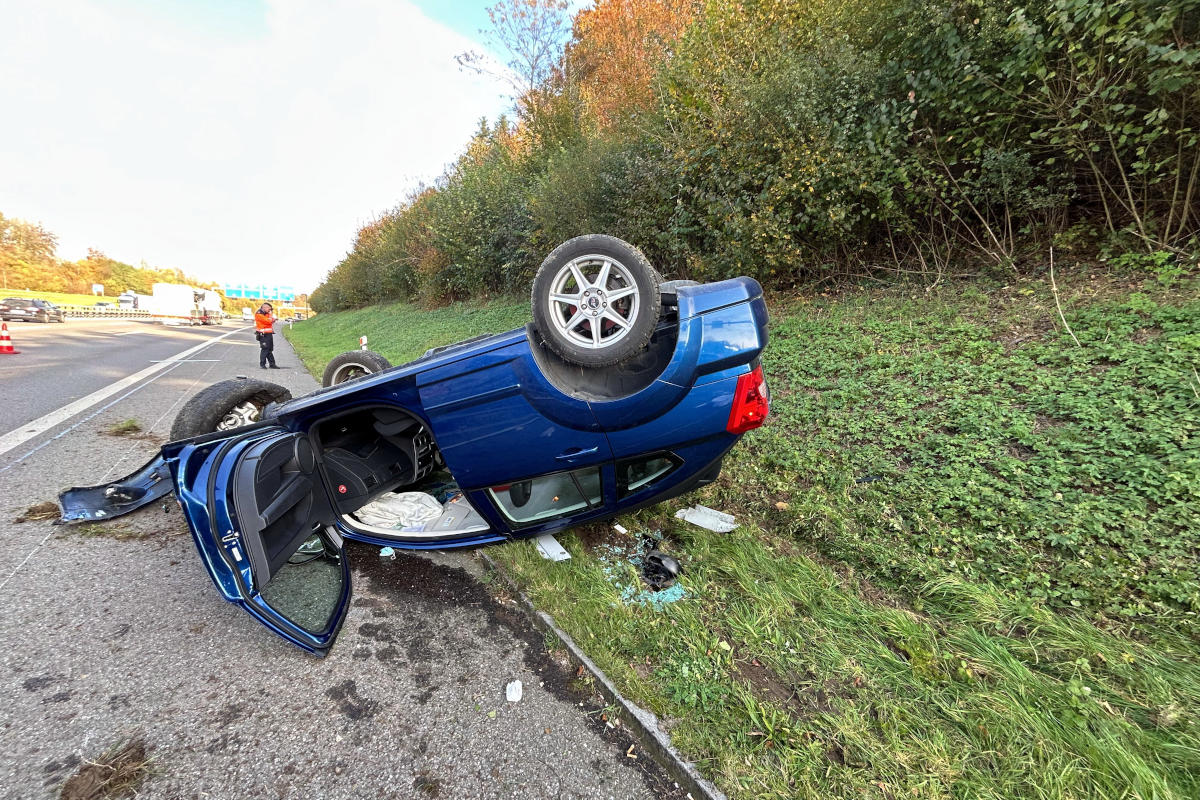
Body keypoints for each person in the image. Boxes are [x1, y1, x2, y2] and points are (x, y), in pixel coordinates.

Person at [254, 302, 281, 369]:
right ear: (264, 307)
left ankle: (272, 364)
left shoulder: (267, 313)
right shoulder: (259, 314)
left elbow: (271, 319)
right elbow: (268, 321)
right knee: (265, 349)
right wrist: (272, 319)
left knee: (269, 349)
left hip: (268, 334)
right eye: (269, 308)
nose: (270, 310)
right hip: (263, 334)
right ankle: (262, 364)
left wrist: (271, 318)